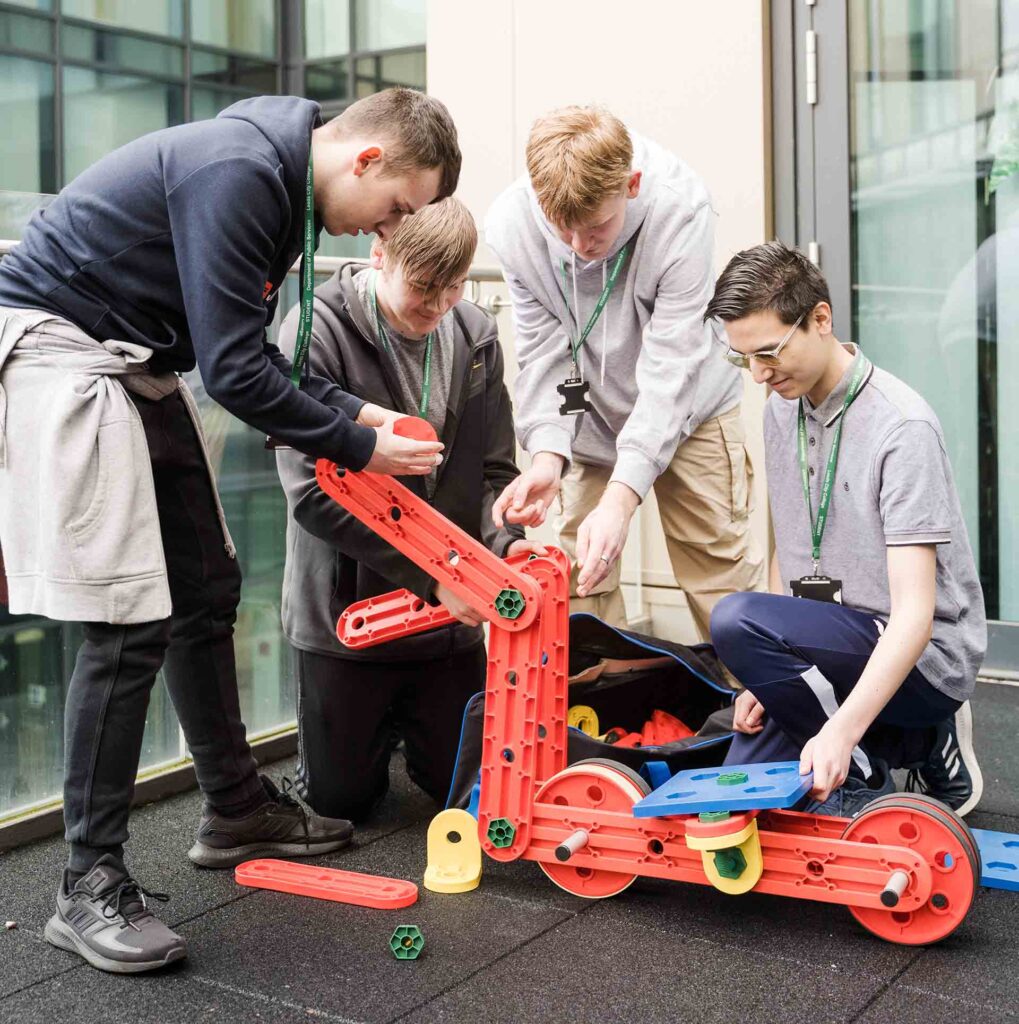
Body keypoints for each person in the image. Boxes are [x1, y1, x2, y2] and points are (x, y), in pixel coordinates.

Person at [0, 87, 459, 973]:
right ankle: (86, 882)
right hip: (64, 352)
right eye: (396, 207)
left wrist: (364, 412)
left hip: (140, 362)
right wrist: (360, 444)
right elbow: (237, 374)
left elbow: (257, 360)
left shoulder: (282, 185)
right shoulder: (242, 171)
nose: (384, 231)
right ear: (365, 160)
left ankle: (235, 807)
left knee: (206, 590)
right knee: (126, 620)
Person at [276, 197, 540, 821]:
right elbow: (312, 495)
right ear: (377, 255)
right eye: (422, 288)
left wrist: (506, 549)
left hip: (447, 623)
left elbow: (495, 471)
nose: (437, 306)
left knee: (464, 788)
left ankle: (404, 730)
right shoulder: (313, 330)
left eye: (452, 289)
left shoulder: (475, 333)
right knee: (341, 803)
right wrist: (436, 578)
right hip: (347, 617)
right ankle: (366, 741)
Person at [705, 241, 985, 817]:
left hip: (923, 654)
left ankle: (886, 755)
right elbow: (789, 542)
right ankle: (907, 746)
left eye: (769, 353)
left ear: (821, 319)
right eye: (743, 360)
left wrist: (839, 735)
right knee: (736, 791)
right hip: (839, 638)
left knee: (733, 618)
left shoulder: (902, 428)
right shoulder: (782, 406)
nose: (758, 375)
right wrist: (767, 675)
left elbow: (914, 615)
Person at [485, 105, 764, 639]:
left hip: (691, 410)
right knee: (586, 582)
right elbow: (544, 354)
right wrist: (547, 454)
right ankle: (601, 715)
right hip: (588, 417)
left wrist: (622, 498)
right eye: (560, 228)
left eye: (594, 229)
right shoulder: (513, 224)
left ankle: (751, 709)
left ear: (632, 185)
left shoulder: (680, 210)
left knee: (717, 575)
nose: (578, 248)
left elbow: (670, 369)